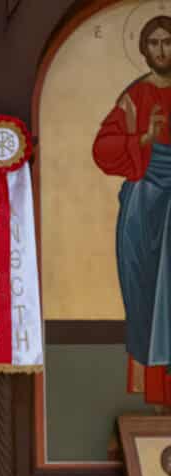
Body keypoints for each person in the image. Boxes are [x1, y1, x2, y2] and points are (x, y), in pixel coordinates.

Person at [93, 14, 171, 406]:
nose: (161, 50)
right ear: (143, 49)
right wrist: (143, 137)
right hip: (143, 209)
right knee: (143, 290)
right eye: (154, 43)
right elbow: (103, 149)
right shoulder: (135, 97)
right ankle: (151, 386)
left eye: (167, 42)